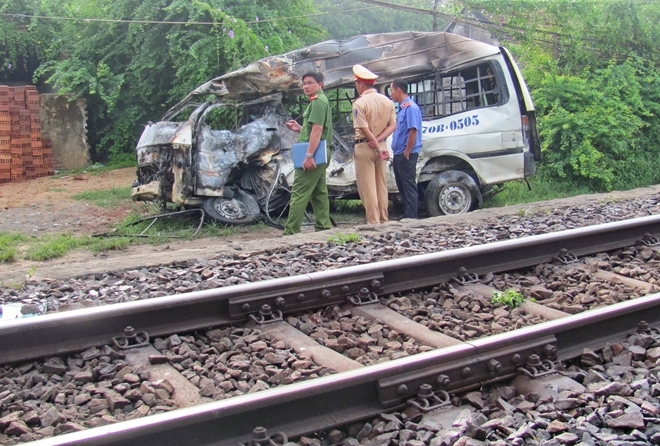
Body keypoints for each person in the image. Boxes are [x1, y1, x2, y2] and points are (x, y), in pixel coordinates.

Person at [282, 71, 333, 235]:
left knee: (299, 192)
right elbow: (314, 129)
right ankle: (323, 227)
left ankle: (291, 231)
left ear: (320, 84)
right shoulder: (319, 101)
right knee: (319, 192)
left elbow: (317, 130)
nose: (306, 86)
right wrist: (299, 128)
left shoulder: (317, 102)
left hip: (313, 153)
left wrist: (309, 156)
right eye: (304, 83)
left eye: (310, 82)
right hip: (321, 151)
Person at [352, 65, 396, 225]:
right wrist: (379, 143)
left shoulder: (359, 103)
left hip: (365, 147)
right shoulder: (387, 102)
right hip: (382, 147)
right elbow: (392, 126)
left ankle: (373, 221)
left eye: (356, 84)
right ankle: (384, 219)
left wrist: (374, 143)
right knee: (381, 185)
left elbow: (363, 129)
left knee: (367, 187)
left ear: (361, 84)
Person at [389, 79, 422, 219]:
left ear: (398, 90)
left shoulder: (411, 108)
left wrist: (407, 152)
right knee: (401, 184)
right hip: (399, 153)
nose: (391, 94)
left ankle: (411, 216)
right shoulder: (403, 108)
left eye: (391, 91)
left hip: (406, 154)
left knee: (408, 185)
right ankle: (406, 213)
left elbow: (413, 131)